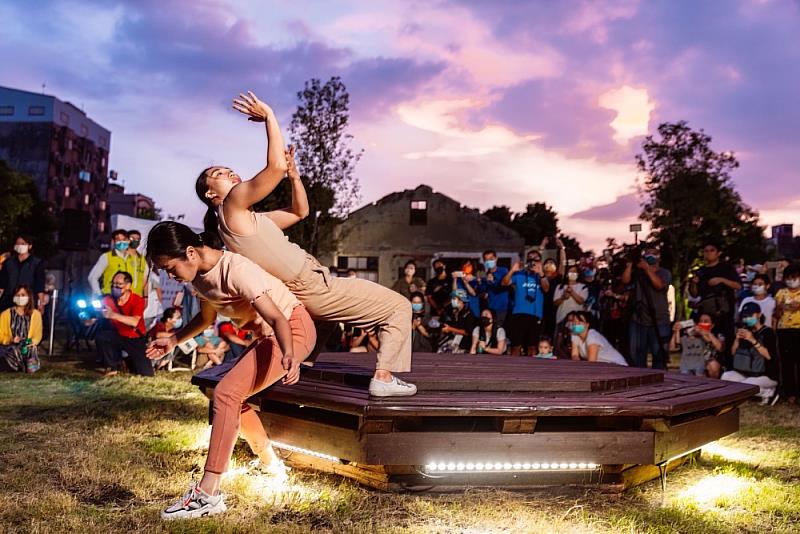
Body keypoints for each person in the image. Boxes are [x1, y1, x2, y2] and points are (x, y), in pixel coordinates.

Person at [197, 92, 415, 397]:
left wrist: (295, 177)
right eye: (218, 174)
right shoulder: (231, 206)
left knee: (324, 323)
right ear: (210, 194)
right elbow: (273, 168)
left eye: (226, 169)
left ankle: (303, 368)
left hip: (306, 290)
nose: (228, 173)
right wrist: (270, 117)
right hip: (312, 286)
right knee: (398, 307)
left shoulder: (245, 220)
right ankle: (384, 377)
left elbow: (299, 212)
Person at [145, 221, 316, 520]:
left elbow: (277, 317)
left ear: (190, 252)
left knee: (226, 393)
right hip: (270, 335)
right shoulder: (199, 277)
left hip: (292, 328)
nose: (171, 275)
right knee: (231, 397)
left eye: (171, 267)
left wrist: (290, 354)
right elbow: (205, 319)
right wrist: (174, 339)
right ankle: (270, 464)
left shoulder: (235, 269)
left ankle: (208, 493)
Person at [689, 241, 742, 365]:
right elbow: (694, 294)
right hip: (706, 313)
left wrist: (722, 280)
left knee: (726, 341)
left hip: (724, 313)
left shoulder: (727, 268)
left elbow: (738, 285)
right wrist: (694, 283)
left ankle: (728, 368)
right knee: (706, 341)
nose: (708, 253)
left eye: (711, 250)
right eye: (705, 251)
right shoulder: (701, 271)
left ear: (718, 253)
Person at [94, 271, 154, 377]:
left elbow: (134, 321)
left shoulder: (137, 300)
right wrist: (88, 318)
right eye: (113, 284)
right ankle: (111, 367)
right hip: (118, 336)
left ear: (128, 285)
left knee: (146, 373)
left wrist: (113, 315)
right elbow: (95, 316)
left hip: (135, 338)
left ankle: (127, 360)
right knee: (103, 336)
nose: (114, 287)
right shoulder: (107, 300)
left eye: (118, 284)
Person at [622, 246, 672, 369]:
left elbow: (659, 285)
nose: (650, 256)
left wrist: (647, 269)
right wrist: (630, 264)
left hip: (659, 319)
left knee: (659, 353)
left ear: (659, 257)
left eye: (653, 254)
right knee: (636, 354)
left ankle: (659, 379)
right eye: (647, 254)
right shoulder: (638, 273)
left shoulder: (664, 273)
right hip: (639, 319)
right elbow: (625, 281)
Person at [722, 302, 778, 404]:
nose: (747, 318)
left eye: (750, 316)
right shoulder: (745, 330)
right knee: (726, 377)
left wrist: (752, 340)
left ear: (759, 315)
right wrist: (737, 340)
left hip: (766, 375)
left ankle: (768, 393)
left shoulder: (767, 332)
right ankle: (752, 393)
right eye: (745, 316)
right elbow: (733, 353)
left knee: (745, 386)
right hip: (747, 373)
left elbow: (769, 356)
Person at [502, 250, 549, 355]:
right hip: (519, 313)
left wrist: (540, 273)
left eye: (535, 259)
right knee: (516, 345)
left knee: (532, 346)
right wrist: (512, 271)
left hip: (535, 314)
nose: (533, 262)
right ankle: (515, 370)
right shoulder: (519, 274)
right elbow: (504, 283)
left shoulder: (541, 276)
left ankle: (531, 369)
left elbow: (546, 289)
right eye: (530, 259)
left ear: (540, 261)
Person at [0, 285, 43, 372]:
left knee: (30, 349)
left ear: (28, 297)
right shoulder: (5, 314)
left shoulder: (36, 314)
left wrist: (30, 342)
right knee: (11, 350)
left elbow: (37, 335)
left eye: (23, 295)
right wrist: (11, 339)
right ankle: (14, 365)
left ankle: (29, 365)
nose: (20, 297)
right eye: (18, 295)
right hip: (10, 347)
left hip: (27, 345)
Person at [88, 229, 141, 298]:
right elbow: (92, 277)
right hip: (110, 298)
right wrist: (99, 295)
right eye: (118, 239)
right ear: (113, 241)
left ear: (128, 241)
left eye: (124, 239)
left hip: (128, 299)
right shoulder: (107, 257)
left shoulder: (133, 258)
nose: (121, 242)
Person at [0, 235, 46, 312]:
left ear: (30, 246)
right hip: (9, 300)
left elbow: (40, 286)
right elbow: (2, 283)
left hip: (28, 301)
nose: (20, 245)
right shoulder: (8, 262)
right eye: (18, 243)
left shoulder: (37, 263)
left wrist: (41, 303)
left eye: (23, 243)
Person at [774, 265, 800, 405]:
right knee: (787, 363)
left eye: (794, 278)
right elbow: (776, 314)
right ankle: (790, 393)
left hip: (799, 329)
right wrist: (779, 308)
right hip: (784, 330)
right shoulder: (781, 293)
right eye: (788, 278)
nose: (791, 281)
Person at [540, 237, 566, 336]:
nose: (549, 264)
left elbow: (563, 263)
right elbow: (538, 262)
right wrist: (542, 248)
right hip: (541, 309)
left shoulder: (558, 278)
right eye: (547, 263)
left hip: (554, 310)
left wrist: (562, 248)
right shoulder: (540, 277)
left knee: (552, 334)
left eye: (552, 263)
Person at [479, 249, 511, 326]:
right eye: (486, 260)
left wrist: (493, 280)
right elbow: (482, 292)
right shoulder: (484, 275)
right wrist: (480, 284)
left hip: (503, 308)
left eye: (491, 259)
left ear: (496, 259)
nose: (489, 262)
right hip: (490, 308)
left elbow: (504, 284)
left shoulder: (503, 271)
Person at [438, 289, 476, 353]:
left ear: (461, 300)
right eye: (452, 299)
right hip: (453, 341)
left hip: (463, 345)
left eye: (454, 298)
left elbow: (467, 332)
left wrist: (450, 329)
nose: (452, 301)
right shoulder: (455, 312)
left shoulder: (469, 314)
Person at [553, 263, 588, 332]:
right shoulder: (560, 287)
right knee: (561, 339)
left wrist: (572, 292)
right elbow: (555, 303)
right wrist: (563, 297)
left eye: (574, 272)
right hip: (562, 318)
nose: (572, 274)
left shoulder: (583, 287)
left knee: (576, 339)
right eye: (570, 271)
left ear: (578, 274)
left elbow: (581, 301)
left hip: (577, 320)